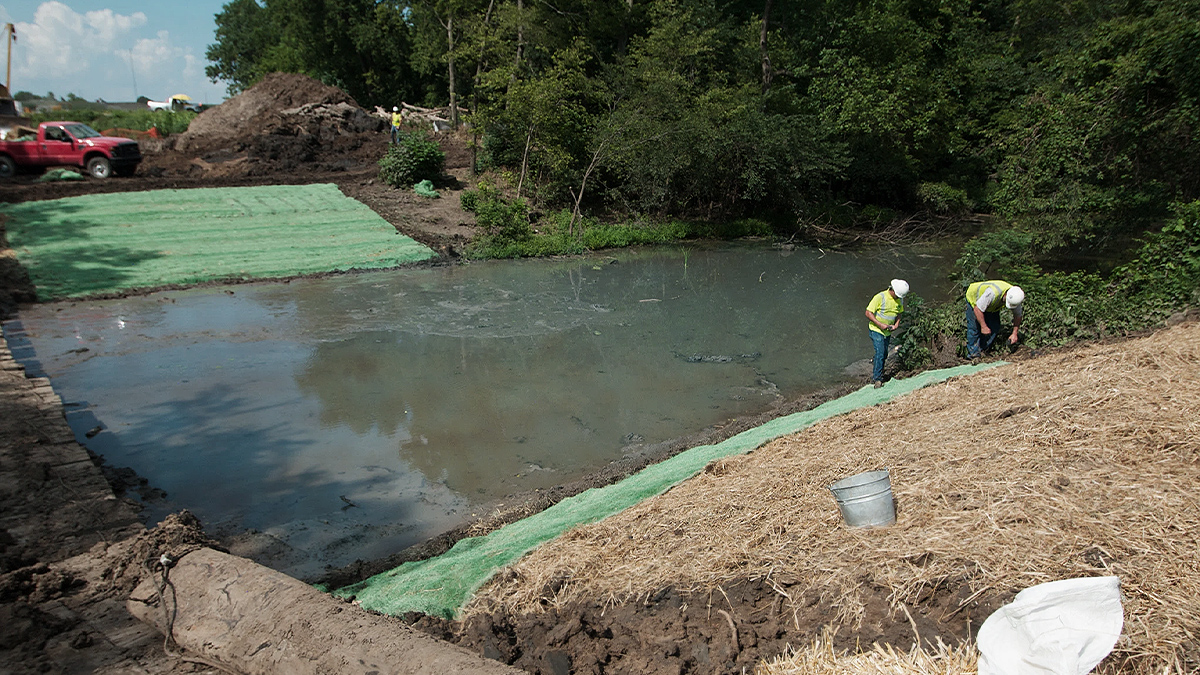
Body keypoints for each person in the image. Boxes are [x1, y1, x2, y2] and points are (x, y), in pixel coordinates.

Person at [865, 279, 909, 387]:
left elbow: (899, 314)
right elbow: (868, 312)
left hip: (887, 332)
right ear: (892, 290)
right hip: (876, 330)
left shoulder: (899, 300)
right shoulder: (880, 297)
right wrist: (880, 324)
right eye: (898, 296)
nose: (899, 298)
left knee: (884, 354)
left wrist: (896, 324)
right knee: (880, 352)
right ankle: (877, 379)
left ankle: (875, 362)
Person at [965, 280, 1024, 358]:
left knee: (994, 327)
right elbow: (977, 309)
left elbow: (1017, 315)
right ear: (1006, 295)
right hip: (974, 300)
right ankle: (973, 355)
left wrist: (1014, 333)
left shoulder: (1016, 297)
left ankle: (984, 350)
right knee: (974, 328)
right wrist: (983, 326)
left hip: (991, 306)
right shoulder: (992, 293)